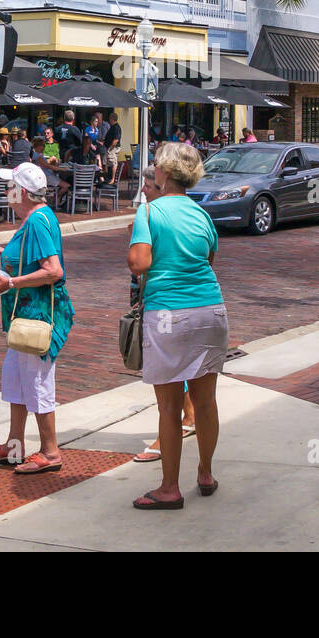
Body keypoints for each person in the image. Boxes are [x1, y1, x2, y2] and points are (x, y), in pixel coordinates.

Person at [126, 142, 226, 509]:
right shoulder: (202, 214)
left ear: (164, 174)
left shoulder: (149, 212)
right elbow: (209, 258)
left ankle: (169, 488)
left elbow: (138, 262)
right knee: (206, 401)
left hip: (168, 312)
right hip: (211, 310)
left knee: (169, 406)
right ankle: (206, 472)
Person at [0, 163, 74, 474]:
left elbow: (53, 270)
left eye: (10, 186)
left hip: (37, 317)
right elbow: (33, 257)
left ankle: (50, 451)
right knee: (17, 381)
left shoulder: (37, 222)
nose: (7, 191)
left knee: (37, 383)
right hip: (24, 316)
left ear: (23, 192)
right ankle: (15, 445)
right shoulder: (34, 218)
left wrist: (12, 282)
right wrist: (4, 251)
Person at [130, 171, 196, 464]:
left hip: (167, 303)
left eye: (147, 184)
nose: (143, 189)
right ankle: (191, 419)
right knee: (179, 367)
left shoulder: (151, 215)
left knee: (166, 373)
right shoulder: (182, 213)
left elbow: (139, 263)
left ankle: (166, 441)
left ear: (162, 186)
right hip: (186, 303)